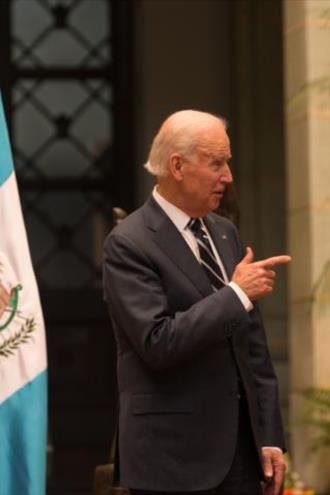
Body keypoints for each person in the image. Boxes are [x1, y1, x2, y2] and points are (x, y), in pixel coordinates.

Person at [102, 110, 289, 495]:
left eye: (228, 163)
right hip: (170, 460)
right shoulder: (129, 242)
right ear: (177, 166)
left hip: (239, 456)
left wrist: (268, 437)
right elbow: (158, 342)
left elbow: (253, 350)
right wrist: (236, 295)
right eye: (217, 163)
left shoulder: (224, 233)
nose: (228, 177)